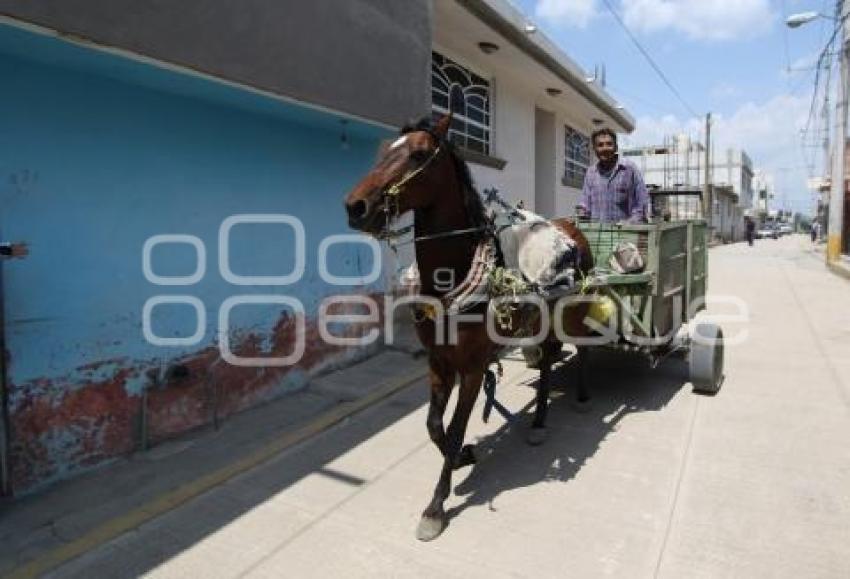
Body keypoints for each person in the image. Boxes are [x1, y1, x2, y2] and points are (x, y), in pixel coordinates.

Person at [577, 128, 649, 223]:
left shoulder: (629, 169)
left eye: (609, 144)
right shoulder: (591, 173)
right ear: (594, 149)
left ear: (616, 147)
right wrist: (581, 212)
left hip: (626, 234)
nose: (605, 148)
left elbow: (642, 203)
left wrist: (630, 222)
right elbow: (585, 204)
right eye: (600, 145)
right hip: (596, 234)